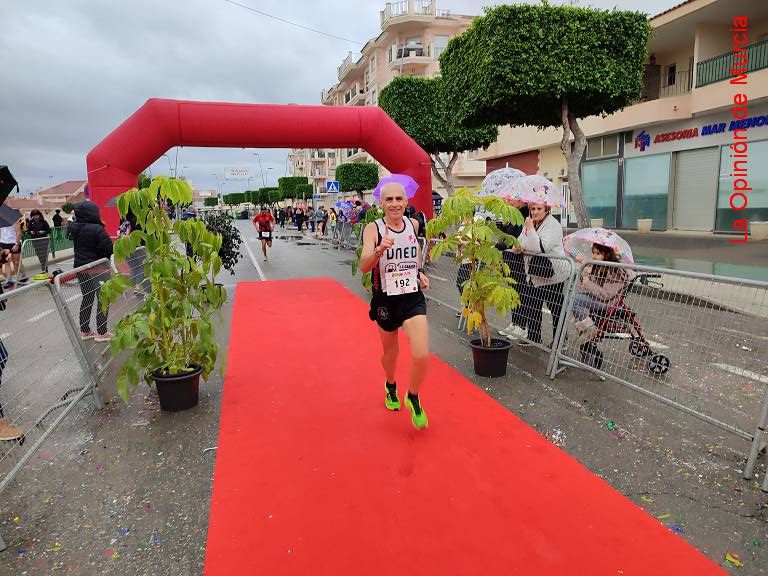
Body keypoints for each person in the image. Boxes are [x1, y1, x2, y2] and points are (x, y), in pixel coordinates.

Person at [359, 181, 431, 430]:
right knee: (391, 354)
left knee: (422, 354)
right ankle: (390, 384)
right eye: (389, 200)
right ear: (381, 203)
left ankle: (413, 396)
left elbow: (416, 250)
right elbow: (363, 266)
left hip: (411, 297)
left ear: (406, 202)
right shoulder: (373, 228)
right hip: (386, 300)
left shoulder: (412, 224)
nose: (395, 204)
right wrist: (379, 250)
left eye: (399, 199)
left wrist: (419, 271)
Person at [509, 203, 569, 346]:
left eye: (539, 209)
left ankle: (560, 341)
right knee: (532, 305)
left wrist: (529, 230)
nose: (535, 212)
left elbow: (541, 247)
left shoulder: (552, 225)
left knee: (555, 308)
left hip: (552, 274)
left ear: (546, 210)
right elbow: (520, 243)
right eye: (533, 209)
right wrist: (518, 246)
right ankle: (534, 337)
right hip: (534, 273)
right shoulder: (530, 222)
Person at [68, 201, 114, 342]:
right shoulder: (97, 229)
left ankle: (85, 330)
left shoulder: (73, 227)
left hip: (81, 268)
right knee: (103, 300)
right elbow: (108, 249)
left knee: (87, 298)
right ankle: (101, 333)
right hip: (98, 268)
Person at [572, 243, 629, 345]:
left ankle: (588, 328)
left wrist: (588, 283)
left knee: (574, 299)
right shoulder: (598, 266)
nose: (593, 256)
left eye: (598, 253)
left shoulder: (616, 271)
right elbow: (593, 287)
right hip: (598, 298)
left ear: (607, 255)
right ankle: (585, 328)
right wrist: (587, 274)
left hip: (608, 303)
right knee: (571, 296)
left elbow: (606, 295)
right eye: (593, 252)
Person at [0, 219, 22, 288]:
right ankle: (9, 281)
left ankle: (19, 278)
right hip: (3, 243)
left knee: (16, 262)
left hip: (13, 243)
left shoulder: (14, 220)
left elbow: (19, 232)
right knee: (6, 263)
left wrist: (16, 244)